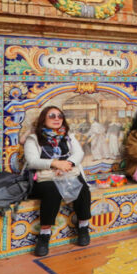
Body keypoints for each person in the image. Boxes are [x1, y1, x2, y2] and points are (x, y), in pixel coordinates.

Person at [24, 106, 91, 257]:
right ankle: (44, 235)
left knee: (82, 187)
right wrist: (55, 164)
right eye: (52, 116)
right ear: (44, 119)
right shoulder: (34, 138)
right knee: (52, 191)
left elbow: (79, 153)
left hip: (66, 173)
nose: (56, 119)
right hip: (44, 177)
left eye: (60, 116)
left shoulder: (68, 136)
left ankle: (83, 227)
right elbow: (32, 161)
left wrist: (68, 164)